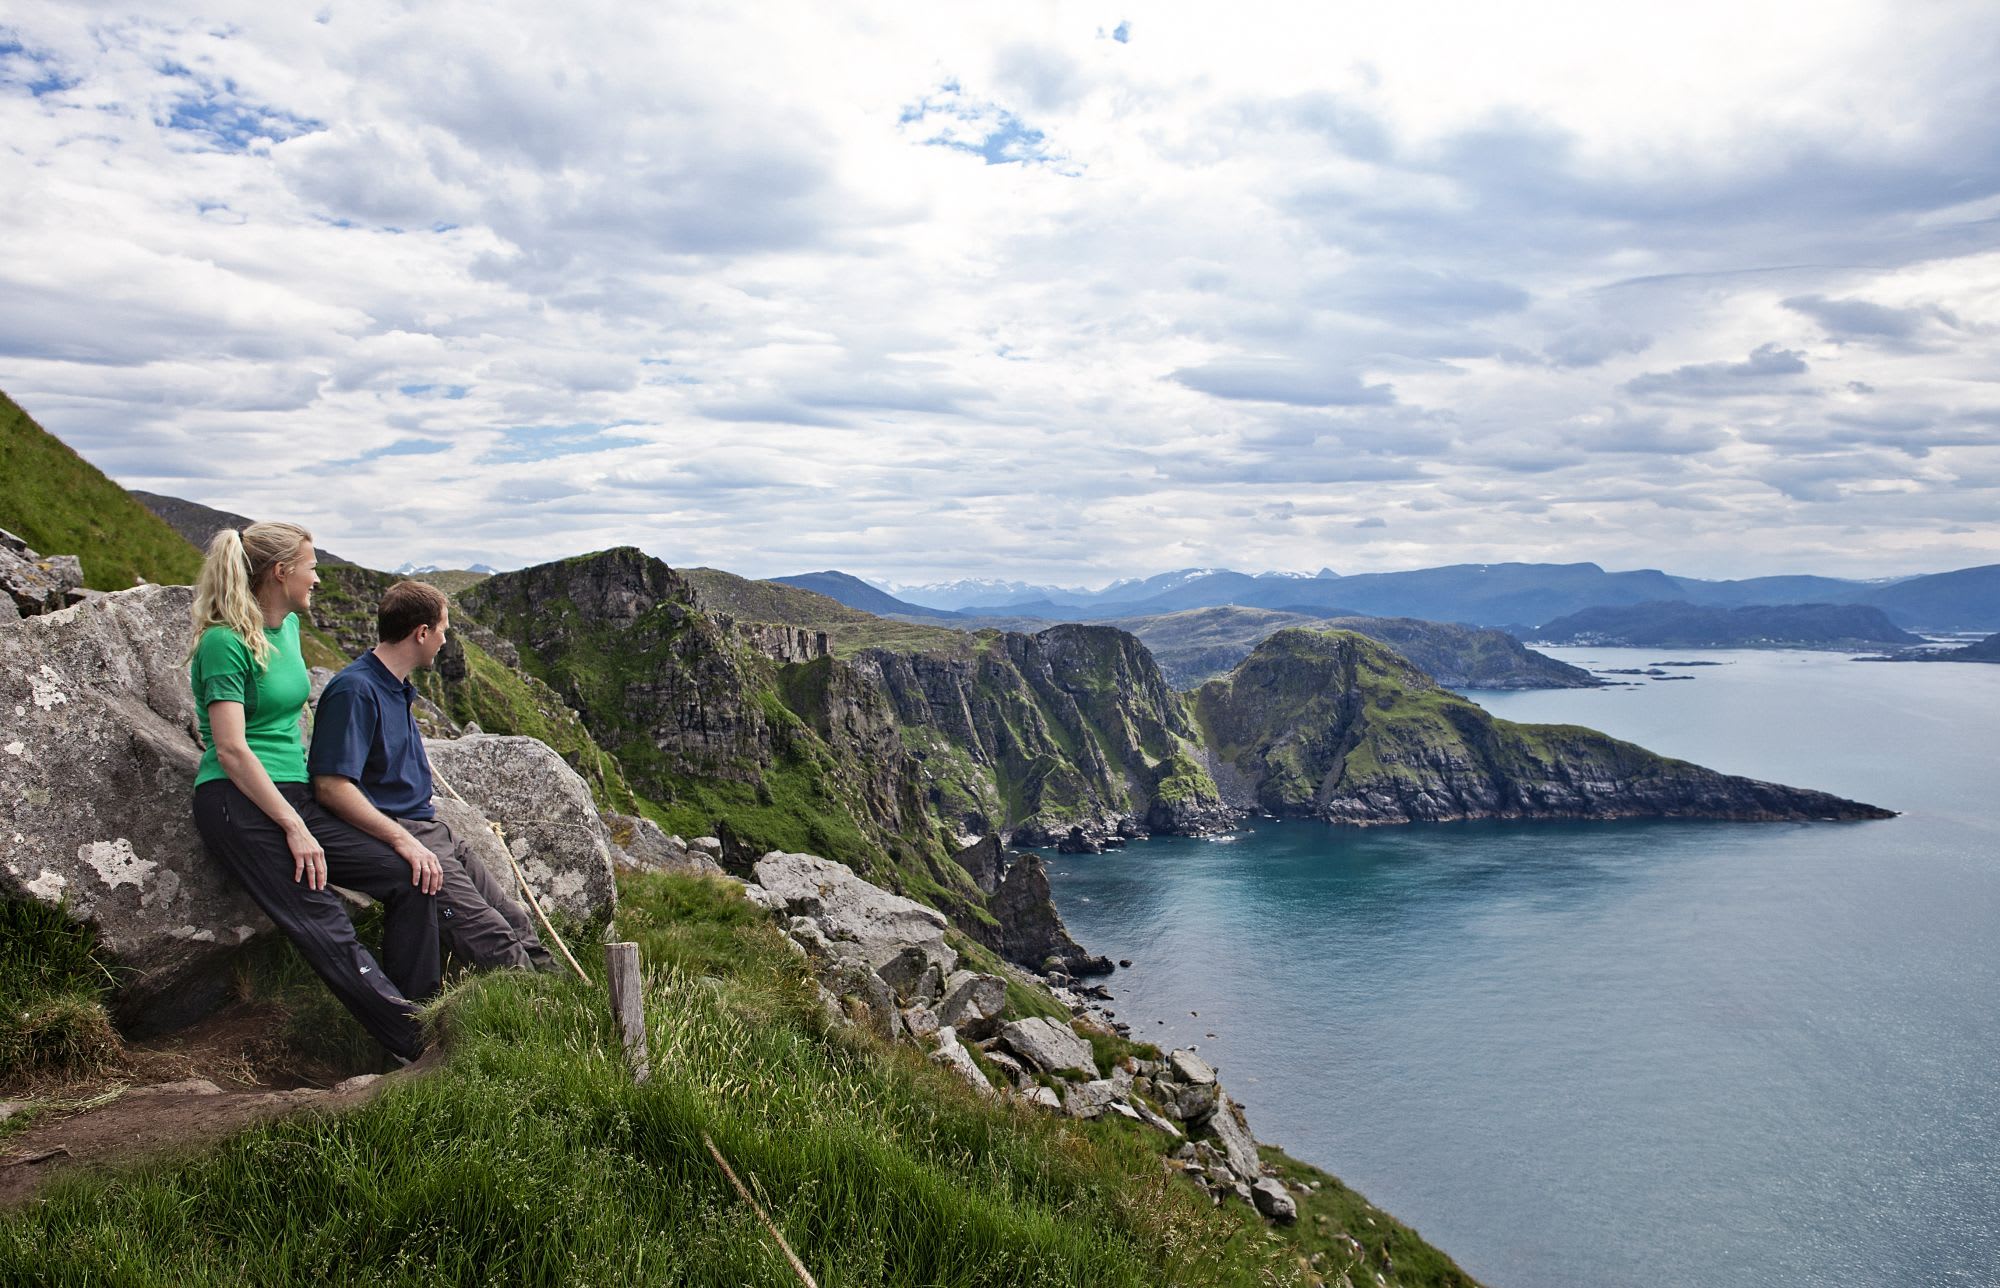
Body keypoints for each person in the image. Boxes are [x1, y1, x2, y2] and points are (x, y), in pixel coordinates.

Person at [187, 524, 442, 1062]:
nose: (317, 577)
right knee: (325, 923)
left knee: (411, 877)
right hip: (242, 804)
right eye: (311, 565)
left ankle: (425, 1018)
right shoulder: (222, 642)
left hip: (295, 795)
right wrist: (293, 826)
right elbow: (232, 750)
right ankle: (416, 1048)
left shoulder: (287, 627)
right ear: (281, 573)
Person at [309, 580, 555, 973]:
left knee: (516, 920)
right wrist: (404, 842)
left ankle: (571, 1003)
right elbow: (331, 786)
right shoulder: (355, 690)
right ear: (421, 633)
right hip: (401, 831)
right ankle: (537, 1020)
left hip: (430, 830)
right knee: (495, 940)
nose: (444, 640)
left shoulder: (395, 687)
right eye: (442, 629)